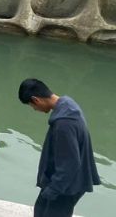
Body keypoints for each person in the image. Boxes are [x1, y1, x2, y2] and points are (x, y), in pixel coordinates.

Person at [18, 79, 100, 217]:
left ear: (36, 100)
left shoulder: (64, 124)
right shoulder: (67, 103)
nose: (34, 110)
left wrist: (53, 190)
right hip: (62, 181)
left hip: (66, 186)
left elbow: (70, 164)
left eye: (32, 106)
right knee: (40, 211)